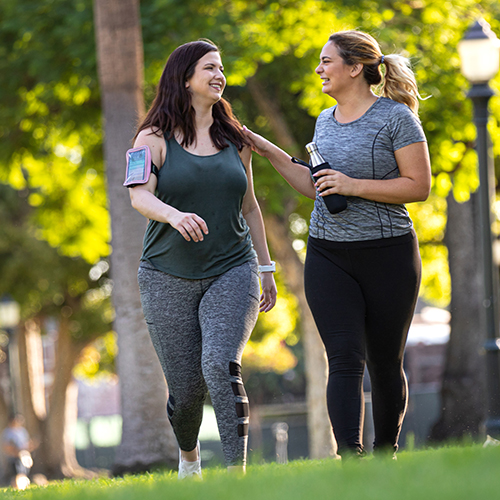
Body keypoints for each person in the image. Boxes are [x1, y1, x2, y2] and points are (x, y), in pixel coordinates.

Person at [243, 30, 431, 459]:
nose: (318, 69)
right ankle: (352, 459)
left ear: (355, 67)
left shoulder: (396, 118)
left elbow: (418, 186)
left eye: (327, 61)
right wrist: (269, 151)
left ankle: (386, 455)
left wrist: (353, 185)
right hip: (328, 254)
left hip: (388, 254)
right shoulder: (324, 120)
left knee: (385, 363)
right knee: (344, 357)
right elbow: (319, 188)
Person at [128, 39, 277, 478]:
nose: (220, 75)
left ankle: (237, 476)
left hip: (233, 267)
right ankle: (189, 456)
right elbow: (138, 195)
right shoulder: (150, 138)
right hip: (164, 275)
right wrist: (174, 216)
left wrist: (265, 267)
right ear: (185, 77)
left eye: (221, 68)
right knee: (187, 389)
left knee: (220, 363)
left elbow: (249, 206)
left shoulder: (235, 138)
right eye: (210, 68)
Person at [2, 414, 34, 489]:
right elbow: (7, 445)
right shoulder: (8, 432)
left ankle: (23, 487)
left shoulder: (22, 431)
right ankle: (17, 487)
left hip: (23, 455)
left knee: (24, 472)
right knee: (17, 473)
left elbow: (26, 442)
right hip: (14, 456)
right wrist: (15, 452)